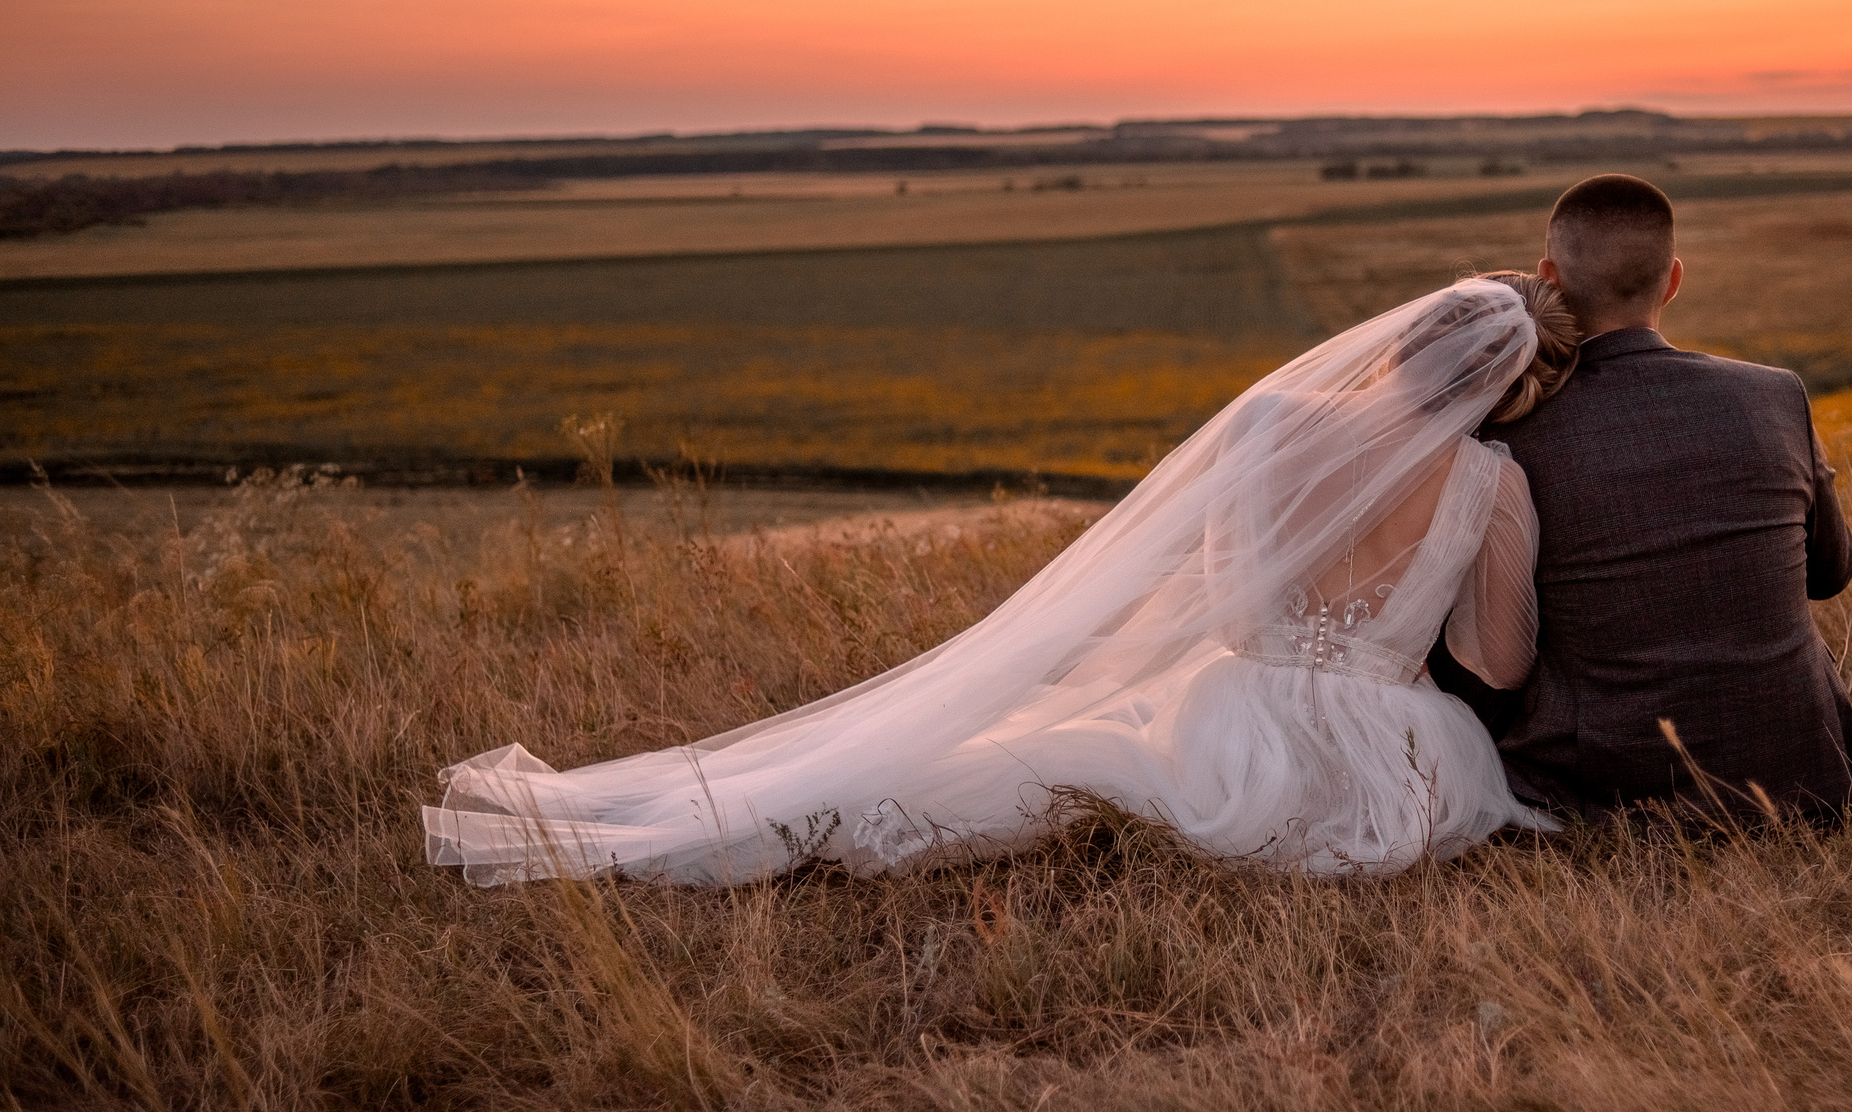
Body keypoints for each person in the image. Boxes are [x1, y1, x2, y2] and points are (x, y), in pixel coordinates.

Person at [425, 273, 1582, 885]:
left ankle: (771, 818)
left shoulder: (1273, 420)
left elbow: (1228, 603)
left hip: (1242, 710)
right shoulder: (1495, 480)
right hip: (1395, 758)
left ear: (1395, 339)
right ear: (1513, 388)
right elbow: (1496, 661)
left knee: (1035, 772)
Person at [1432, 174, 1852, 829]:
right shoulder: (1776, 395)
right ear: (1673, 279)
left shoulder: (1508, 432)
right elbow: (1830, 574)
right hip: (1802, 777)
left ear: (1549, 277)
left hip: (1605, 788)